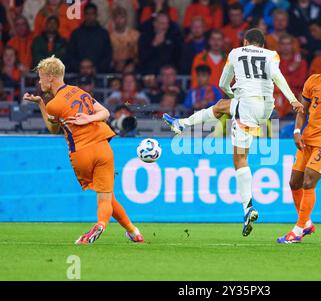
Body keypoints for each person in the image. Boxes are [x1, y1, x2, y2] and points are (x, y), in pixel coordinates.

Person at [162, 28, 303, 236]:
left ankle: (248, 207)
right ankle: (182, 124)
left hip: (247, 105)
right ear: (262, 45)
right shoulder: (272, 54)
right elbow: (276, 75)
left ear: (245, 41)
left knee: (239, 158)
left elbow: (222, 83)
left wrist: (234, 96)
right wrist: (292, 99)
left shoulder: (236, 53)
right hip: (266, 108)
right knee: (221, 106)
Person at [22, 56, 144, 244]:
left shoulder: (54, 105)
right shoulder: (79, 91)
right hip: (103, 147)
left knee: (105, 196)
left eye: (41, 77)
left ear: (51, 77)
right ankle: (133, 232)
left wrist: (42, 105)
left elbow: (53, 129)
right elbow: (105, 112)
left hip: (82, 153)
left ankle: (104, 227)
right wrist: (90, 118)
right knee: (106, 197)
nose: (39, 82)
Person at [276, 47, 321, 244]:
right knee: (294, 182)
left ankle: (297, 230)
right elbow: (302, 110)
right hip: (307, 139)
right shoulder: (313, 81)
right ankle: (307, 223)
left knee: (309, 182)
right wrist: (296, 131)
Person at [67, 3, 113, 73]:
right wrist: (80, 67)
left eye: (92, 14)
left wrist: (96, 68)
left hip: (99, 74)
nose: (90, 16)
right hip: (78, 73)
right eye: (87, 14)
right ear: (84, 15)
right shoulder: (76, 34)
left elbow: (108, 55)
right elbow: (70, 54)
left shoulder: (103, 34)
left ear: (96, 15)